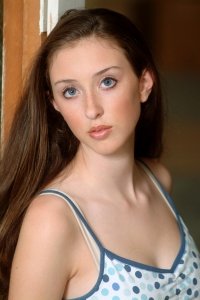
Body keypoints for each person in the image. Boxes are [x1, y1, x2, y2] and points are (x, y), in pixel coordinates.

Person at [0, 8, 199, 300]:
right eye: (70, 91)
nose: (92, 109)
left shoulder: (157, 179)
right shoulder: (52, 220)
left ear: (144, 83)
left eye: (107, 82)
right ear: (54, 103)